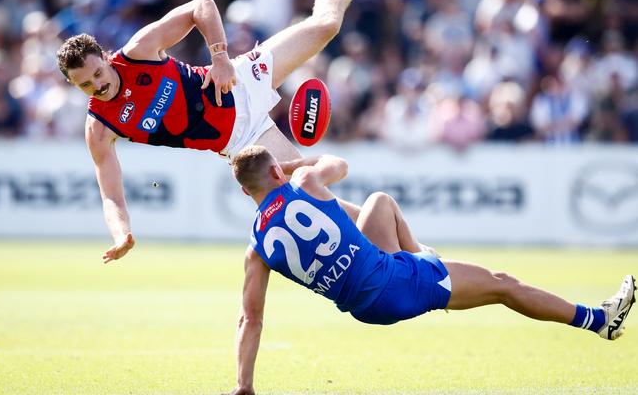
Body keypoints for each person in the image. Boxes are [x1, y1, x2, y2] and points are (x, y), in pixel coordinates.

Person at [54, 0, 414, 263]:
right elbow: (111, 195)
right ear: (74, 85)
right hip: (242, 139)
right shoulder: (99, 128)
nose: (98, 85)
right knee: (313, 201)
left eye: (98, 73)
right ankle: (412, 251)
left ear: (104, 56)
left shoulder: (138, 52)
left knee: (326, 25)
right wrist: (121, 233)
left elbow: (202, 7)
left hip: (243, 79)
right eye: (86, 84)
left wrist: (221, 58)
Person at [229, 145, 636, 395]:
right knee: (503, 285)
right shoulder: (303, 181)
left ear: (247, 192)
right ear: (278, 172)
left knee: (375, 211)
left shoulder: (256, 247)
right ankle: (600, 320)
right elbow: (339, 162)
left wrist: (245, 385)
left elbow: (251, 319)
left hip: (365, 308)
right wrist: (296, 162)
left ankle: (421, 258)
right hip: (396, 283)